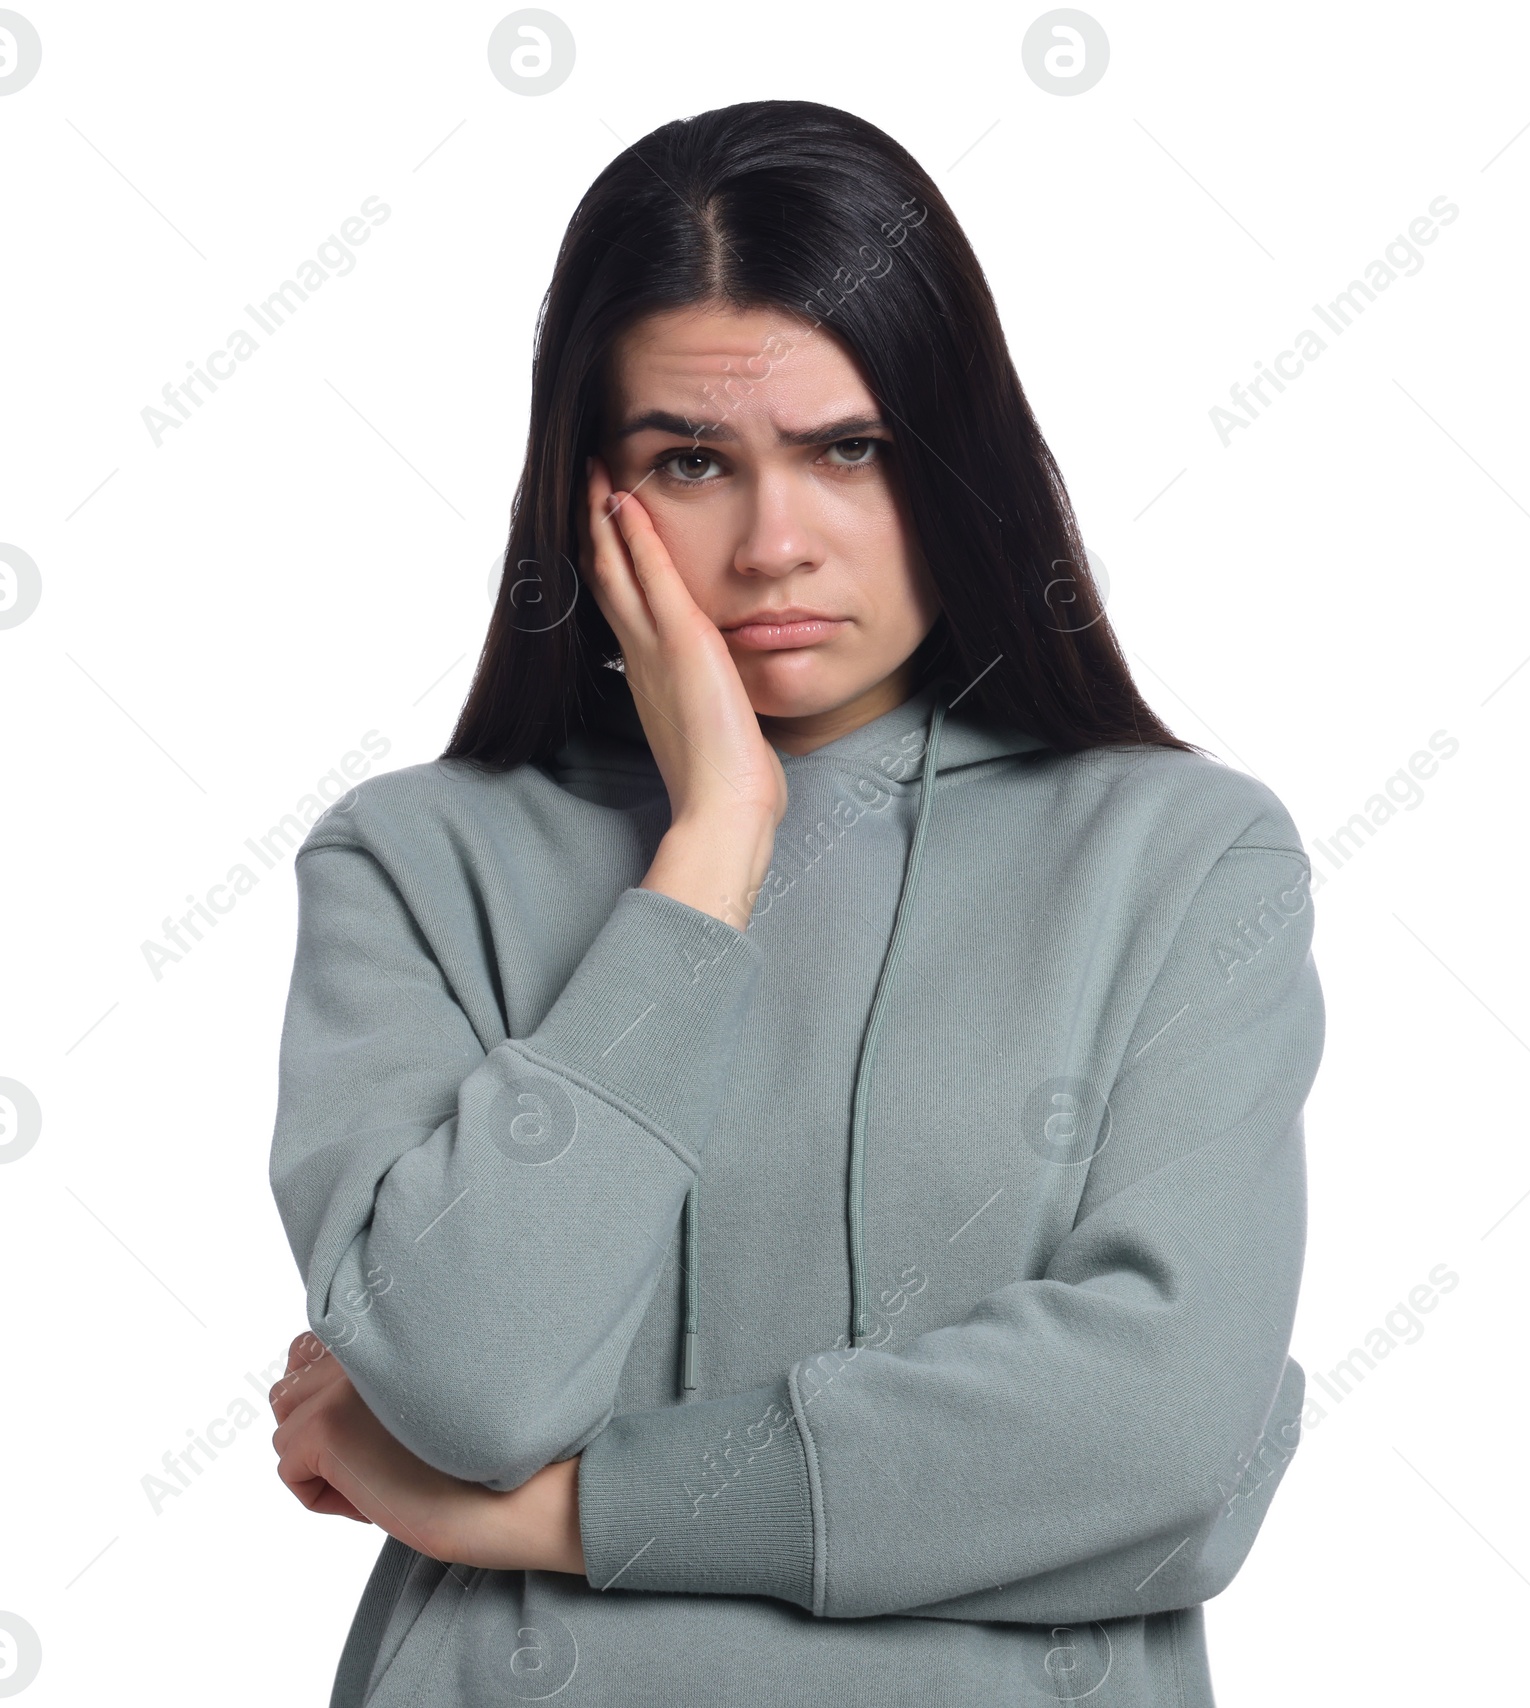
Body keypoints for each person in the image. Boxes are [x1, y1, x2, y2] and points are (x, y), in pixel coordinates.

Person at [266, 99, 1324, 1708]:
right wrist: (711, 851)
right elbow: (471, 1382)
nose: (773, 545)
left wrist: (550, 1516)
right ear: (585, 492)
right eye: (691, 460)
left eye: (847, 449)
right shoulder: (417, 864)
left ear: (954, 461)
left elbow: (1162, 1437)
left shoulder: (1180, 858)